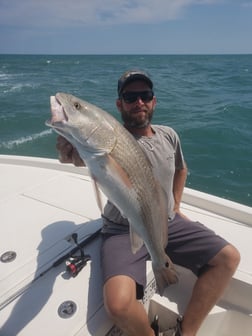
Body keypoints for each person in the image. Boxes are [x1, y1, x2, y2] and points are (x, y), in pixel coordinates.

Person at [56, 70, 240, 336]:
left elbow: (181, 169)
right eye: (130, 96)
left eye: (145, 95)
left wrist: (175, 207)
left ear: (154, 101)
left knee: (229, 258)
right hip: (120, 229)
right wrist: (69, 151)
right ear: (119, 104)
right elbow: (80, 157)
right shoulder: (108, 140)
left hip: (166, 222)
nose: (139, 101)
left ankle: (185, 332)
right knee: (118, 305)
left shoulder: (169, 135)